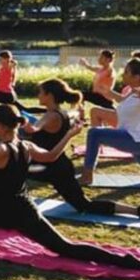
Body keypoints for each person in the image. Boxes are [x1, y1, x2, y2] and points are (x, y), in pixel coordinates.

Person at [0, 104, 140, 269]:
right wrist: (69, 134)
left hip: (1, 213)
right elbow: (51, 156)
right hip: (26, 210)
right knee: (66, 247)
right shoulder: (27, 146)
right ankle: (125, 260)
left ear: (2, 126)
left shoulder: (1, 149)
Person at [23, 78, 139, 217]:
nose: (38, 95)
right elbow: (72, 115)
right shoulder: (63, 113)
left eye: (40, 92)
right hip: (57, 165)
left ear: (50, 96)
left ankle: (135, 211)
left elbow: (33, 129)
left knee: (84, 205)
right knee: (14, 170)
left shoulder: (51, 116)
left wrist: (20, 121)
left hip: (52, 168)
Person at [81, 58, 140, 185]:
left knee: (95, 133)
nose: (123, 74)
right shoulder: (133, 91)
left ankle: (87, 175)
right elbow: (122, 100)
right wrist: (109, 92)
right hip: (131, 135)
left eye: (126, 72)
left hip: (134, 139)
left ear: (137, 77)